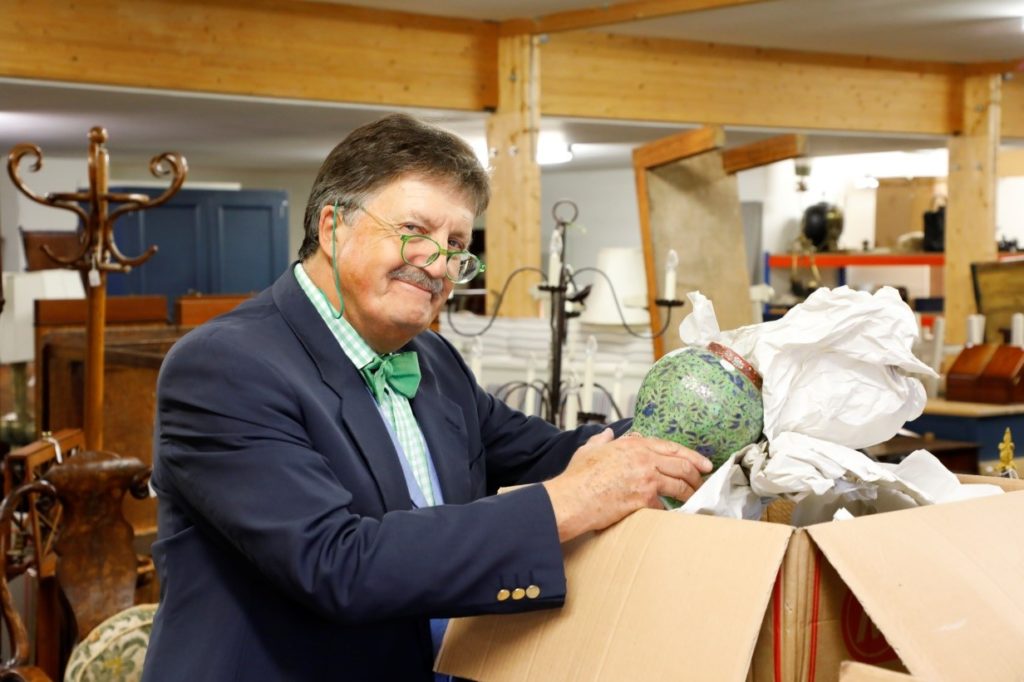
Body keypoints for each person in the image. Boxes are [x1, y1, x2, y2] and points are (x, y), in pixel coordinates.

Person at [141, 113, 710, 681]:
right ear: (334, 226)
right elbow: (336, 564)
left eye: (456, 244)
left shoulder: (434, 360)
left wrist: (713, 417)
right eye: (415, 231)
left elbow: (555, 454)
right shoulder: (222, 366)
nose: (439, 263)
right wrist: (570, 501)